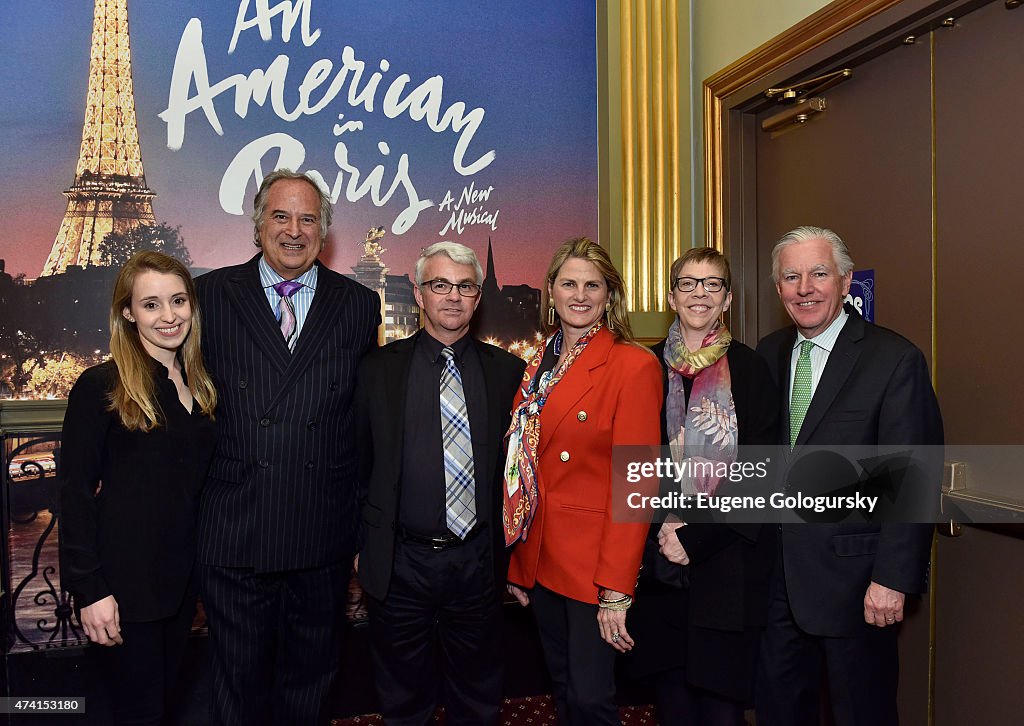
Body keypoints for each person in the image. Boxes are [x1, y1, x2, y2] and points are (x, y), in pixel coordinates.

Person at [195, 169, 380, 724]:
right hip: (237, 531)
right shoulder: (210, 295)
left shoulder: (357, 304)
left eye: (307, 219)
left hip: (319, 531)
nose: (294, 230)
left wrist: (360, 532)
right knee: (238, 687)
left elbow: (360, 422)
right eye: (281, 216)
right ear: (258, 226)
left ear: (324, 231)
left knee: (310, 684)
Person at [755, 226, 943, 726]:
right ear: (778, 290)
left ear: (845, 280)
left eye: (819, 273)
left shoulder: (893, 359)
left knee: (861, 712)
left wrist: (892, 578)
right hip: (776, 581)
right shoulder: (768, 355)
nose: (805, 288)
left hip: (858, 585)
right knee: (779, 710)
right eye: (791, 277)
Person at [356, 241, 526, 725]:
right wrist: (360, 544)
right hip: (400, 562)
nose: (452, 296)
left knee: (479, 695)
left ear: (478, 297)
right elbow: (355, 467)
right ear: (419, 293)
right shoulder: (378, 371)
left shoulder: (509, 374)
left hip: (478, 560)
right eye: (440, 285)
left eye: (465, 286)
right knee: (403, 699)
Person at [503, 237, 662, 725]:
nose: (580, 294)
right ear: (550, 291)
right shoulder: (539, 364)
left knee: (592, 699)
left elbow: (637, 484)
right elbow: (525, 467)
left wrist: (616, 587)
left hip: (593, 565)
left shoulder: (633, 365)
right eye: (568, 283)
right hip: (543, 557)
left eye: (592, 285)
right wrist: (519, 560)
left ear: (609, 296)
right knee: (565, 690)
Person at [60, 251, 218, 725]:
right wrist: (90, 591)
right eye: (151, 305)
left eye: (178, 301)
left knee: (167, 706)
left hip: (181, 586)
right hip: (126, 590)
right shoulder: (101, 385)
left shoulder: (202, 385)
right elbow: (73, 492)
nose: (169, 316)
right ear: (127, 313)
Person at [622, 247, 779, 725]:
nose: (699, 294)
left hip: (727, 568)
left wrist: (696, 536)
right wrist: (663, 533)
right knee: (672, 707)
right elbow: (629, 464)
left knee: (721, 713)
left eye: (712, 284)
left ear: (727, 299)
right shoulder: (643, 368)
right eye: (688, 283)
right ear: (672, 295)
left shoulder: (751, 371)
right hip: (660, 568)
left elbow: (764, 473)